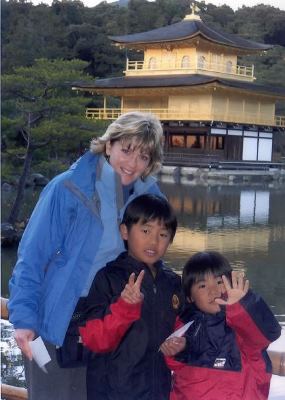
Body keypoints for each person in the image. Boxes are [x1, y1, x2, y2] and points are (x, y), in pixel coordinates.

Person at [7, 111, 165, 400]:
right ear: (109, 145)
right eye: (126, 150)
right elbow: (31, 257)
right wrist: (24, 319)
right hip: (61, 321)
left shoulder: (152, 202)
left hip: (118, 323)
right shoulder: (68, 188)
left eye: (143, 156)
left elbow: (156, 267)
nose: (132, 163)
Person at [79, 194, 182, 400]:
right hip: (113, 392)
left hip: (158, 390)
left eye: (163, 235)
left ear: (170, 240)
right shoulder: (109, 278)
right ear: (125, 231)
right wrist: (125, 307)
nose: (153, 240)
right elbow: (94, 340)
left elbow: (184, 326)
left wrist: (181, 344)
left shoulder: (172, 283)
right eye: (145, 231)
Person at [160, 251, 281, 400]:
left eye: (219, 282)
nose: (214, 290)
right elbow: (175, 366)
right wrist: (177, 350)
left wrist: (242, 303)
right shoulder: (184, 324)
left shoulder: (242, 323)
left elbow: (268, 333)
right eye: (203, 286)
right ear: (190, 297)